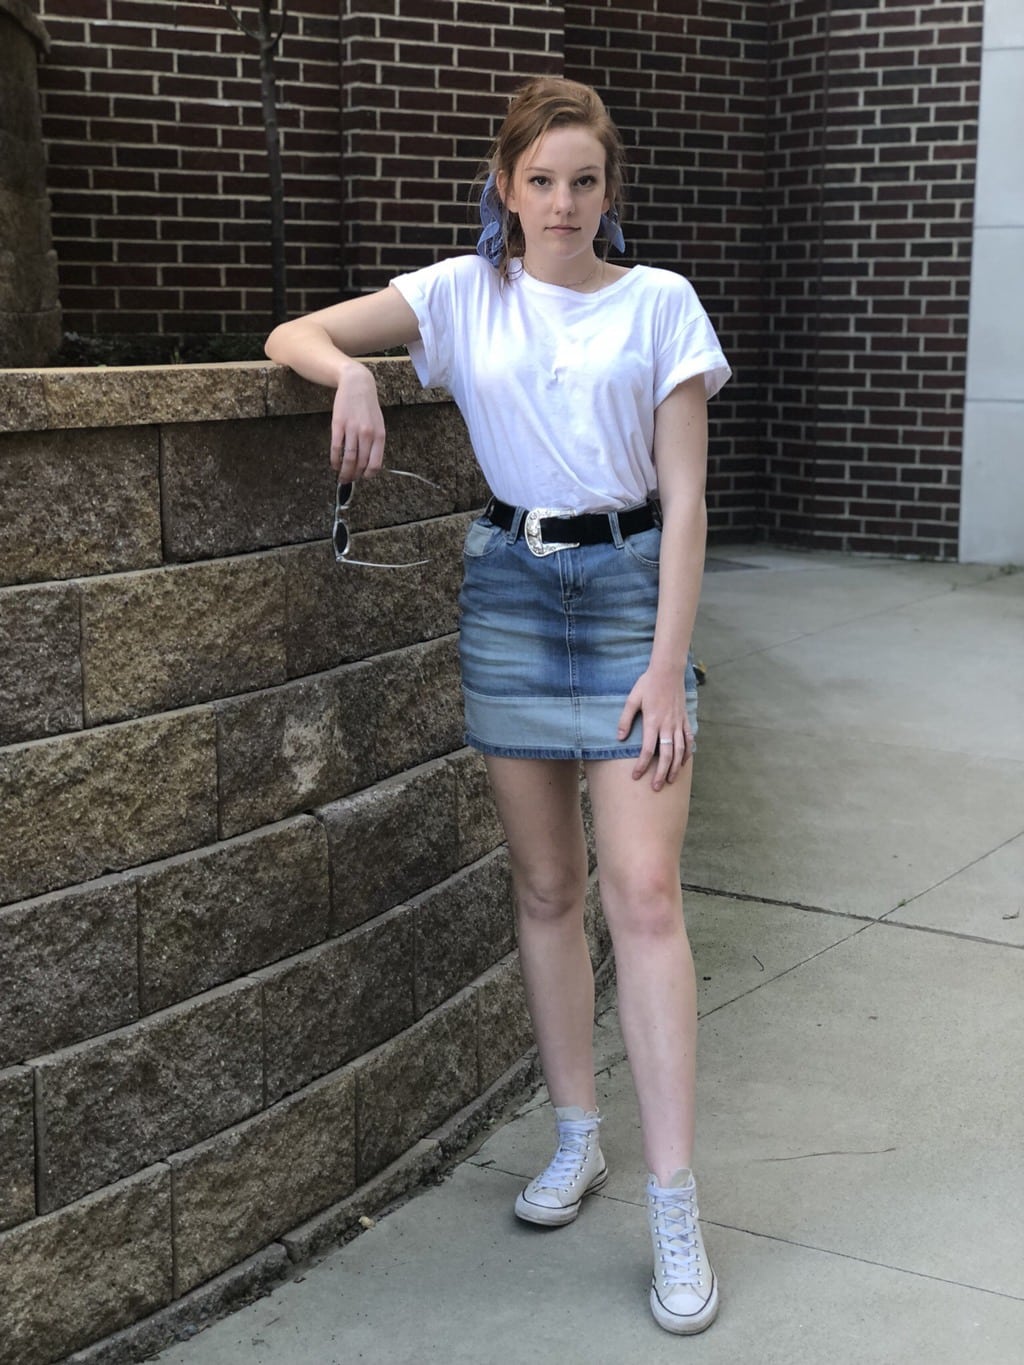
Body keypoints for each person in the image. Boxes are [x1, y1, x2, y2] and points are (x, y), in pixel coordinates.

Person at [265, 75, 731, 1336]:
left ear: (608, 189)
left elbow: (684, 501)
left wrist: (663, 660)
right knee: (543, 890)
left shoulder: (660, 306)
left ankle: (674, 1202)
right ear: (506, 186)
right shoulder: (460, 296)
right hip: (512, 591)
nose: (564, 203)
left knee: (641, 895)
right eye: (542, 181)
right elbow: (295, 335)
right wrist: (352, 381)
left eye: (585, 181)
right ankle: (578, 1137)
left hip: (634, 596)